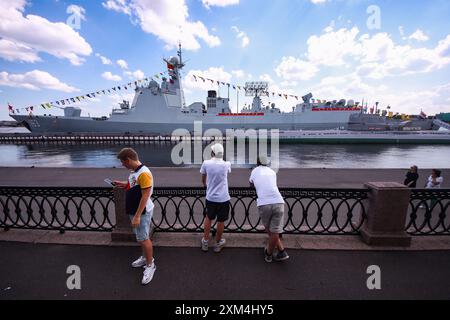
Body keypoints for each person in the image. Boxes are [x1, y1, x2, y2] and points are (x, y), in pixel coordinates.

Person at [114, 148, 156, 285]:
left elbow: (145, 195)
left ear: (128, 160)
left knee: (144, 238)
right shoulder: (135, 172)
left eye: (122, 162)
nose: (122, 165)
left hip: (142, 212)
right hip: (136, 211)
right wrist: (122, 183)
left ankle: (150, 265)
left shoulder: (144, 173)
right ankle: (145, 258)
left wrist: (137, 215)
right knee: (141, 237)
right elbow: (133, 185)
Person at [250, 156, 289, 263]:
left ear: (257, 162)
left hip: (264, 203)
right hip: (279, 201)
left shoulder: (254, 171)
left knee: (270, 231)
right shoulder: (272, 172)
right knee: (274, 230)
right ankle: (282, 251)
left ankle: (268, 254)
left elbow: (251, 184)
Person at [200, 143, 231, 253]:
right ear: (222, 153)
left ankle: (205, 241)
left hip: (211, 197)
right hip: (223, 198)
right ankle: (218, 243)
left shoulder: (206, 163)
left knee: (208, 217)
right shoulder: (227, 164)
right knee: (221, 220)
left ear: (212, 152)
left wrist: (206, 186)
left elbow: (203, 180)